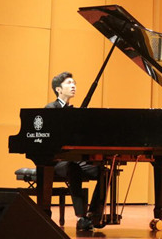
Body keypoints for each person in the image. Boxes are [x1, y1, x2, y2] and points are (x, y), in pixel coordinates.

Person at [46, 71, 106, 231]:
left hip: (74, 159)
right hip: (57, 161)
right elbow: (50, 137)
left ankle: (94, 214)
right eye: (69, 83)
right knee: (73, 168)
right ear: (58, 89)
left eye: (74, 83)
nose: (73, 86)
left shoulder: (75, 112)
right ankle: (81, 218)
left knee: (105, 171)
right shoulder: (50, 109)